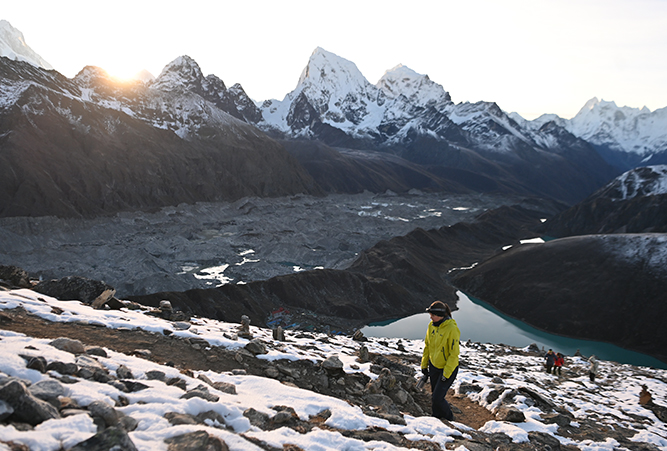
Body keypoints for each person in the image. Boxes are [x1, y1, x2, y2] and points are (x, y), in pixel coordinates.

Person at [421, 300, 460, 421]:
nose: (430, 317)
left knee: (438, 398)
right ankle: (436, 418)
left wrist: (446, 374)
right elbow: (428, 346)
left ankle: (449, 419)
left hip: (447, 369)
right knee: (434, 396)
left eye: (433, 314)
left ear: (440, 315)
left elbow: (454, 354)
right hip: (434, 366)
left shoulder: (451, 329)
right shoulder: (431, 326)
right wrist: (424, 365)